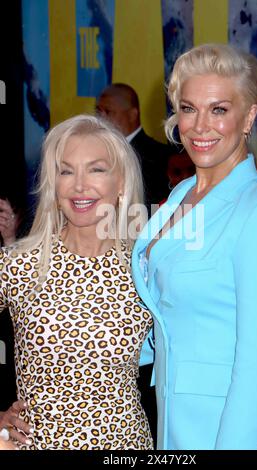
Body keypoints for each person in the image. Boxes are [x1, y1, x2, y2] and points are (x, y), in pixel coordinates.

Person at [131, 43, 257, 450]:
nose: (199, 126)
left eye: (219, 109)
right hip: (176, 418)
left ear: (250, 117)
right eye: (188, 108)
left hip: (239, 429)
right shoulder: (178, 197)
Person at [0, 114, 154, 450]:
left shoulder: (148, 268)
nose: (79, 185)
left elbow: (209, 335)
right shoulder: (18, 264)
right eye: (65, 171)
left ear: (122, 183)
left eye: (96, 169)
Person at [96, 83, 170, 212]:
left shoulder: (160, 157)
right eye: (98, 111)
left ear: (132, 115)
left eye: (108, 111)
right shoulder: (95, 153)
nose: (100, 118)